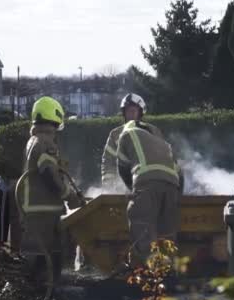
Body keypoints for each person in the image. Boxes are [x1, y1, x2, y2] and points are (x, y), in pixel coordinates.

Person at [15, 96, 84, 284]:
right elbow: (48, 172)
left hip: (32, 208)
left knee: (34, 256)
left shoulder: (33, 140)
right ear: (55, 118)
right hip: (45, 210)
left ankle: (31, 295)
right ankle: (48, 296)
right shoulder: (46, 142)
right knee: (51, 257)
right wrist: (68, 195)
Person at [116, 120, 183, 266]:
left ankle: (149, 277)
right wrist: (178, 197)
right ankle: (168, 274)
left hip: (146, 185)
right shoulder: (164, 144)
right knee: (167, 234)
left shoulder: (127, 134)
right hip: (172, 186)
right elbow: (180, 174)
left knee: (142, 230)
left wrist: (132, 189)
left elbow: (122, 168)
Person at [101, 93, 160, 191]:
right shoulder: (115, 134)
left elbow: (163, 157)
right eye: (128, 111)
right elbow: (108, 161)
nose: (130, 115)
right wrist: (109, 188)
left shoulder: (153, 131)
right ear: (124, 113)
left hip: (149, 184)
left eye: (133, 111)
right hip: (123, 186)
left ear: (140, 113)